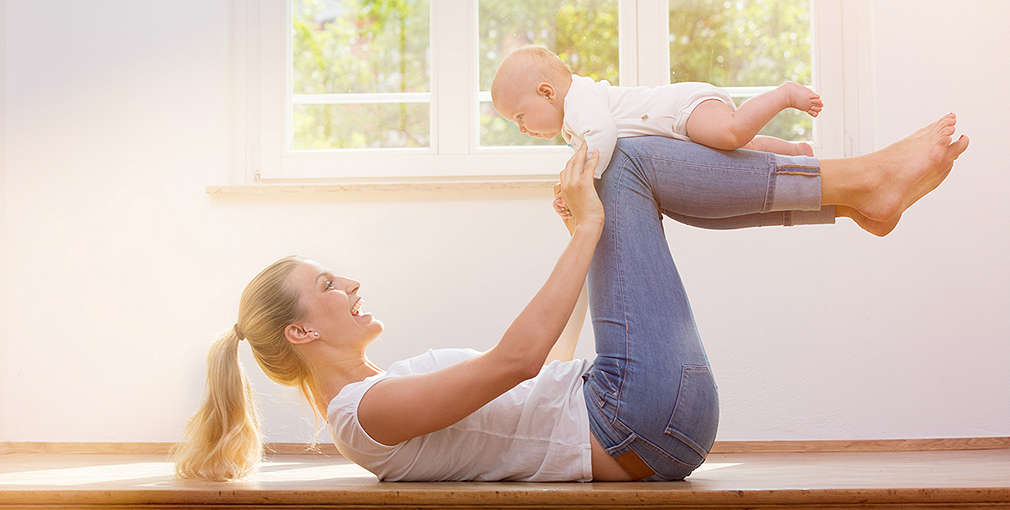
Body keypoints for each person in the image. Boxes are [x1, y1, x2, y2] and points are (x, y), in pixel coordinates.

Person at [172, 114, 968, 482]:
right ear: (302, 331)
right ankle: (860, 185)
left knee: (620, 162)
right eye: (327, 284)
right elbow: (517, 361)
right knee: (618, 159)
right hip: (635, 417)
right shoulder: (365, 413)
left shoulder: (381, 392)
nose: (349, 283)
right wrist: (589, 228)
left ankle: (855, 196)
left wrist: (582, 237)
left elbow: (543, 365)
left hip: (638, 413)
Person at [491, 45, 822, 179]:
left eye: (520, 116)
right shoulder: (573, 125)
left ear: (547, 93)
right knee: (744, 148)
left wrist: (585, 180)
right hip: (681, 124)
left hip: (683, 109)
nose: (522, 129)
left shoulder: (579, 98)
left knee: (731, 133)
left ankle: (784, 94)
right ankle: (798, 152)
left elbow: (603, 135)